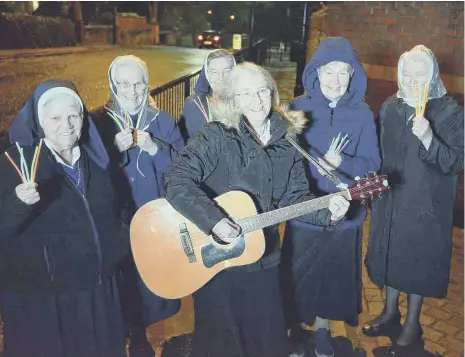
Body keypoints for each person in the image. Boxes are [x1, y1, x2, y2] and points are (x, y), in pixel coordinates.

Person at [163, 62, 351, 357]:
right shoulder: (217, 136)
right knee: (221, 343)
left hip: (264, 258)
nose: (256, 100)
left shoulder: (288, 141)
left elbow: (295, 197)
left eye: (262, 91)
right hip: (219, 262)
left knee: (265, 339)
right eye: (246, 93)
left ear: (273, 94)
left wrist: (331, 213)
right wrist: (214, 221)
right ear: (234, 100)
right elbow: (175, 179)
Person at [0, 80, 129, 357]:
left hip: (98, 291)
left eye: (73, 115)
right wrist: (18, 204)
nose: (66, 125)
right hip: (47, 301)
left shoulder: (97, 159)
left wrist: (120, 247)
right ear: (40, 121)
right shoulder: (17, 163)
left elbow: (118, 211)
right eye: (55, 117)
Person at [281, 37, 381, 357]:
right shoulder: (298, 108)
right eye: (328, 72)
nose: (335, 80)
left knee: (331, 273)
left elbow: (373, 164)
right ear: (316, 73)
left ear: (353, 75)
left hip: (345, 212)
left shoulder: (363, 114)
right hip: (306, 209)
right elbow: (283, 156)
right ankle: (295, 328)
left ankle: (323, 328)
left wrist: (344, 164)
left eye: (343, 72)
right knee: (299, 271)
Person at [363, 45, 464, 354]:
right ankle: (391, 313)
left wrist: (428, 138)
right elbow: (379, 150)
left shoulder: (449, 110)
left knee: (416, 261)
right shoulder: (393, 106)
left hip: (425, 202)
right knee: (391, 253)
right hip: (391, 197)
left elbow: (455, 161)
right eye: (407, 73)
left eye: (421, 73)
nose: (413, 80)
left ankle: (412, 325)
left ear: (432, 74)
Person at [93, 55, 184, 356]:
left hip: (152, 215)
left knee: (146, 279)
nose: (132, 91)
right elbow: (88, 171)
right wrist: (111, 150)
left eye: (139, 84)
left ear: (147, 85)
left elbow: (181, 171)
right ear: (112, 85)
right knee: (118, 277)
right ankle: (119, 333)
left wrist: (155, 148)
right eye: (123, 84)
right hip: (114, 216)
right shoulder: (97, 122)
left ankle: (141, 333)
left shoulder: (163, 122)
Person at [179, 49, 236, 141]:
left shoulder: (246, 104)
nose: (220, 77)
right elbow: (185, 144)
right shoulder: (194, 105)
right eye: (214, 72)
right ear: (207, 75)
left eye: (226, 71)